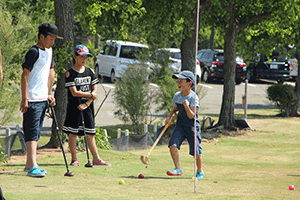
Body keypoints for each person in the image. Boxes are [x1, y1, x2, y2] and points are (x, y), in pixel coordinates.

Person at [20, 23, 62, 177]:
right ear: (41, 37)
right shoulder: (33, 51)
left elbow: (51, 72)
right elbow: (25, 75)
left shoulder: (49, 51)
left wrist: (49, 93)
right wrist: (24, 99)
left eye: (54, 39)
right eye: (50, 39)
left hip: (43, 97)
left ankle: (30, 164)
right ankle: (32, 166)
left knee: (36, 131)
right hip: (31, 97)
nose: (52, 42)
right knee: (31, 131)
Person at [62, 45, 111, 167]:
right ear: (75, 57)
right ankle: (74, 159)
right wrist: (90, 94)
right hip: (75, 108)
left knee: (90, 133)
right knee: (73, 133)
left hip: (87, 108)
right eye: (81, 57)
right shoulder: (70, 74)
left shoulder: (90, 72)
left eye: (86, 57)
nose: (84, 60)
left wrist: (87, 103)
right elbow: (74, 92)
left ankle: (96, 158)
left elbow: (95, 91)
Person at [165, 70, 204, 180]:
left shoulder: (193, 97)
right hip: (180, 125)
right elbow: (175, 110)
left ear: (189, 83)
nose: (178, 84)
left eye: (181, 81)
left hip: (192, 126)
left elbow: (192, 116)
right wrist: (169, 117)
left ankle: (200, 171)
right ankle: (177, 169)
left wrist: (186, 106)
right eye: (178, 81)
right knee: (172, 144)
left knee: (195, 151)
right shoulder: (177, 96)